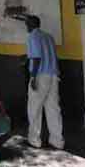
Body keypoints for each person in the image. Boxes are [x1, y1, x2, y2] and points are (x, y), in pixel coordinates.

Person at [25, 15, 64, 150]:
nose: (26, 26)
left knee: (34, 108)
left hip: (41, 76)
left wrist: (33, 77)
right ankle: (57, 140)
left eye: (26, 23)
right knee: (53, 108)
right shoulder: (49, 37)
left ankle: (34, 139)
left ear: (30, 25)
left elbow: (36, 58)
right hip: (53, 75)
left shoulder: (33, 36)